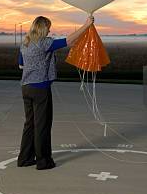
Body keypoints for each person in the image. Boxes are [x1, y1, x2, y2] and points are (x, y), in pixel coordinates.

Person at [17, 15, 94, 170]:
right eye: (49, 27)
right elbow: (69, 41)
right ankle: (43, 161)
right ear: (43, 28)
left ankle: (24, 159)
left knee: (29, 124)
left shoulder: (25, 43)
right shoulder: (44, 43)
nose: (50, 30)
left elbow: (20, 66)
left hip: (26, 88)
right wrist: (86, 25)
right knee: (42, 126)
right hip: (40, 89)